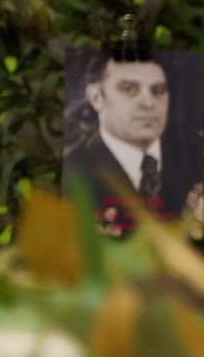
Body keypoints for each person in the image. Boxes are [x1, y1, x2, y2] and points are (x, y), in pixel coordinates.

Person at [64, 48, 172, 233]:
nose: (148, 103)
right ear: (97, 97)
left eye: (157, 91)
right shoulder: (74, 167)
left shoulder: (190, 160)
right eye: (129, 89)